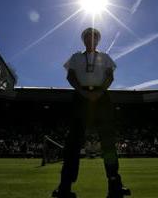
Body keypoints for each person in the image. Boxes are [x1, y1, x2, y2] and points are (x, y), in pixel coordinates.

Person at [52, 28, 130, 198]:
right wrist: (83, 92)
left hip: (101, 98)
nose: (91, 40)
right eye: (87, 37)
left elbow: (110, 77)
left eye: (94, 37)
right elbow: (70, 77)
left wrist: (99, 92)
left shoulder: (105, 57)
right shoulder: (75, 57)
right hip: (81, 97)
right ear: (84, 40)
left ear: (98, 40)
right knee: (73, 143)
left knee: (108, 142)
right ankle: (65, 186)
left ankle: (114, 183)